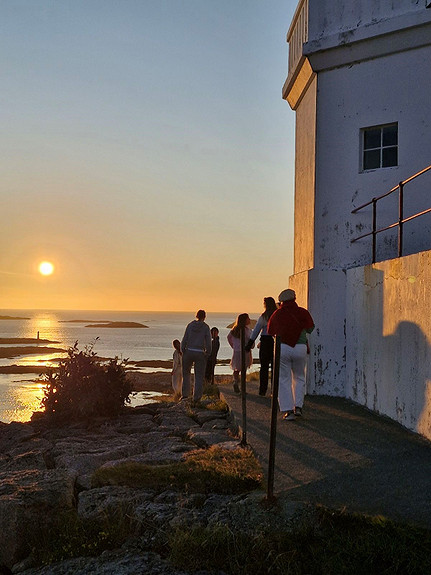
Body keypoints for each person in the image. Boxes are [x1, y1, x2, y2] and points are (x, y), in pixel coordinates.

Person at [267, 289, 315, 420]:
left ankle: (288, 411)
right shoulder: (302, 312)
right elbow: (311, 328)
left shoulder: (277, 314)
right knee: (299, 377)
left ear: (281, 301)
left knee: (284, 379)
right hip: (300, 348)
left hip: (283, 347)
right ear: (294, 298)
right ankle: (298, 406)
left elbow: (270, 330)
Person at [245, 297, 278, 396]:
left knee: (264, 367)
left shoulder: (264, 317)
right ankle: (274, 390)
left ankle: (262, 390)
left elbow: (256, 330)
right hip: (275, 341)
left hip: (265, 341)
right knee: (274, 367)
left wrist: (250, 343)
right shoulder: (277, 315)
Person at [181, 309, 212, 403]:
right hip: (199, 352)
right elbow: (208, 342)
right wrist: (207, 353)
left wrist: (183, 350)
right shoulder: (206, 327)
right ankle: (196, 397)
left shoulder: (190, 325)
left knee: (186, 374)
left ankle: (185, 395)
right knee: (199, 376)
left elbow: (185, 338)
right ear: (204, 317)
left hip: (188, 351)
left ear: (196, 316)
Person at [227, 313, 253, 394]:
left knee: (236, 368)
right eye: (248, 318)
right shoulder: (247, 330)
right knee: (243, 369)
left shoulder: (234, 330)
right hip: (245, 351)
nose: (249, 320)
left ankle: (235, 381)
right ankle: (243, 388)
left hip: (236, 351)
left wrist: (233, 345)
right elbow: (250, 339)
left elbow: (229, 337)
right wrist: (251, 346)